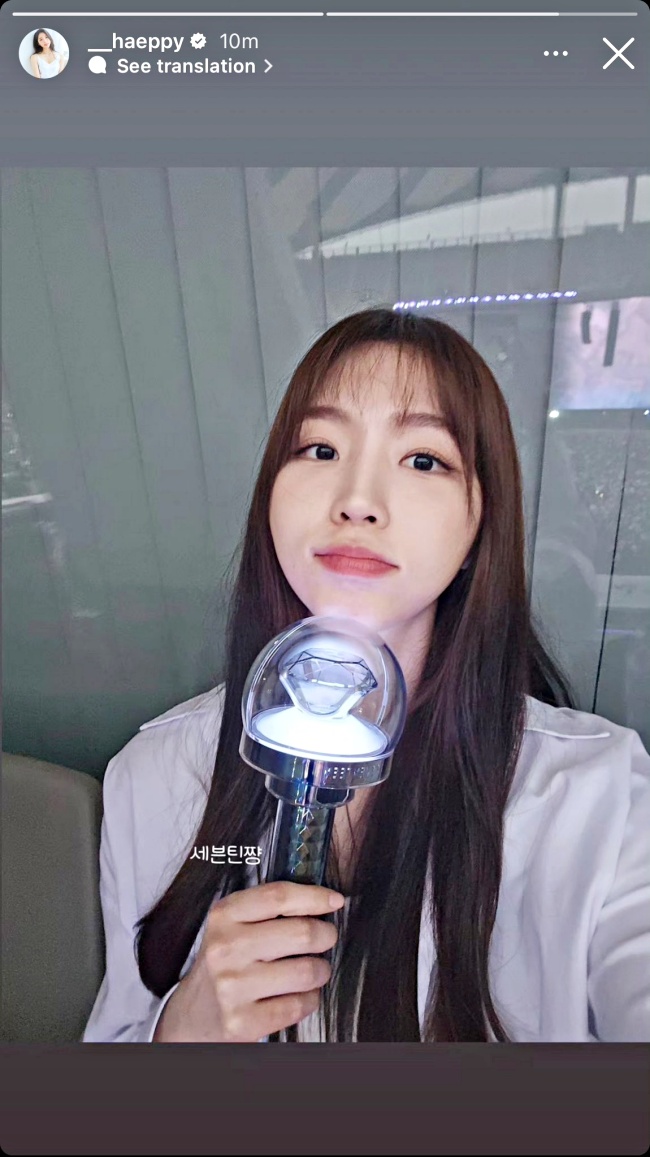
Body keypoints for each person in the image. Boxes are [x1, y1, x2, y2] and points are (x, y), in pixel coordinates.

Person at [82, 308, 650, 1044]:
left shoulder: (599, 799)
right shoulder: (156, 774)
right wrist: (178, 1035)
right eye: (320, 448)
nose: (357, 500)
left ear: (482, 520)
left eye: (423, 460)